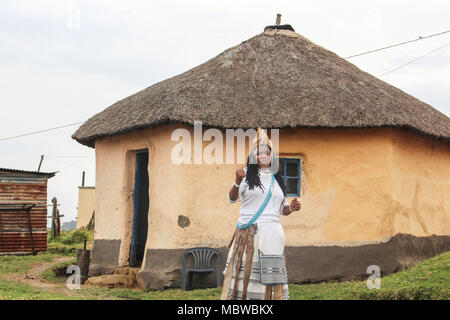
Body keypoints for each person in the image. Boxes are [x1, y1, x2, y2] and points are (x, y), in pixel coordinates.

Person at [221, 129, 301, 300]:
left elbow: (282, 210)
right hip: (251, 235)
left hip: (273, 235)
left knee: (271, 277)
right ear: (253, 157)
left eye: (268, 152)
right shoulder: (246, 175)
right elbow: (232, 198)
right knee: (248, 276)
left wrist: (292, 208)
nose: (264, 156)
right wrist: (236, 181)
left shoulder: (277, 180)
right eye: (259, 153)